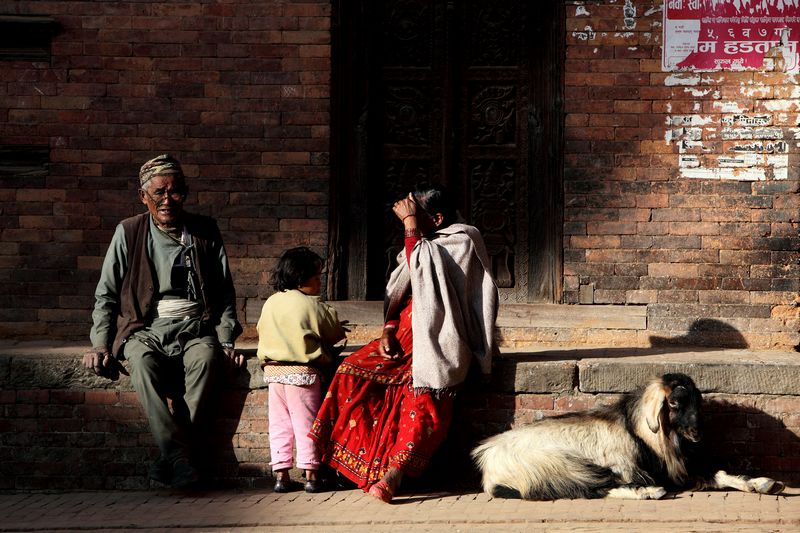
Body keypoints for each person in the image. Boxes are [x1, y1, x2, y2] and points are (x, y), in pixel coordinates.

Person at [309, 186, 499, 503]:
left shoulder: (463, 240)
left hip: (441, 340)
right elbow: (404, 290)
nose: (406, 216)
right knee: (350, 371)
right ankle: (345, 465)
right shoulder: (420, 245)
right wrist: (387, 330)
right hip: (403, 338)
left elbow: (429, 279)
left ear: (436, 218)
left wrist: (411, 226)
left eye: (415, 211)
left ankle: (393, 474)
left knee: (424, 402)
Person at [83, 154, 244, 489]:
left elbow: (225, 292)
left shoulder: (204, 231)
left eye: (175, 192)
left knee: (206, 359)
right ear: (144, 197)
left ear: (184, 193)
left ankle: (171, 457)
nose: (167, 200)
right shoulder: (128, 232)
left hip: (195, 326)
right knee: (139, 362)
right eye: (159, 193)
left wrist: (226, 338)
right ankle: (180, 456)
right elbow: (106, 295)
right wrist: (100, 343)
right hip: (146, 329)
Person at [256, 246, 348, 493]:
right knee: (306, 423)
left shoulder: (271, 302)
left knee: (279, 425)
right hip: (303, 374)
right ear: (301, 278)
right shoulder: (311, 304)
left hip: (274, 374)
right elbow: (334, 331)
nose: (319, 284)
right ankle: (311, 475)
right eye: (316, 278)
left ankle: (281, 475)